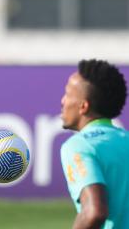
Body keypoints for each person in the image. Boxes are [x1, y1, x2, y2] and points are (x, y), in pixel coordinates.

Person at [60, 59, 128, 228]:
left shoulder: (79, 146)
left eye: (67, 94)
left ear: (83, 107)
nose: (62, 101)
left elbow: (94, 212)